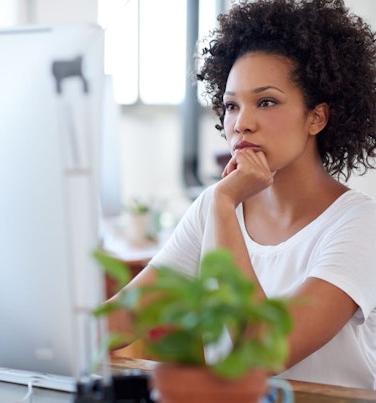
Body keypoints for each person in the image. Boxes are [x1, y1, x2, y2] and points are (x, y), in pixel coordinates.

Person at [107, 0, 376, 390]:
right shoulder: (214, 208)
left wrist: (222, 203)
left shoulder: (361, 226)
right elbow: (123, 319)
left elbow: (261, 352)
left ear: (316, 117)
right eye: (232, 105)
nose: (241, 124)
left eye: (266, 102)